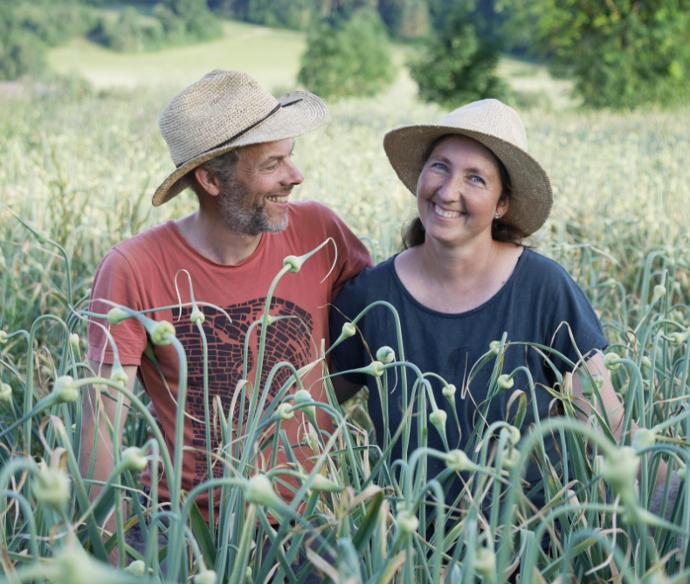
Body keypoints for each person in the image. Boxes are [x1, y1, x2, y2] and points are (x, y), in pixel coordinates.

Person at [81, 70, 372, 531]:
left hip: (308, 523)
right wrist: (106, 544)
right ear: (211, 181)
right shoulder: (134, 268)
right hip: (183, 528)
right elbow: (101, 422)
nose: (295, 177)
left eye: (290, 158)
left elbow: (380, 319)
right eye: (271, 164)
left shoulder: (321, 233)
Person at [329, 99, 627, 507]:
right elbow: (313, 406)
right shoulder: (372, 296)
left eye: (475, 179)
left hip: (530, 547)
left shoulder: (543, 288)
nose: (448, 191)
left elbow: (605, 424)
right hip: (409, 549)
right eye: (440, 167)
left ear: (502, 204)